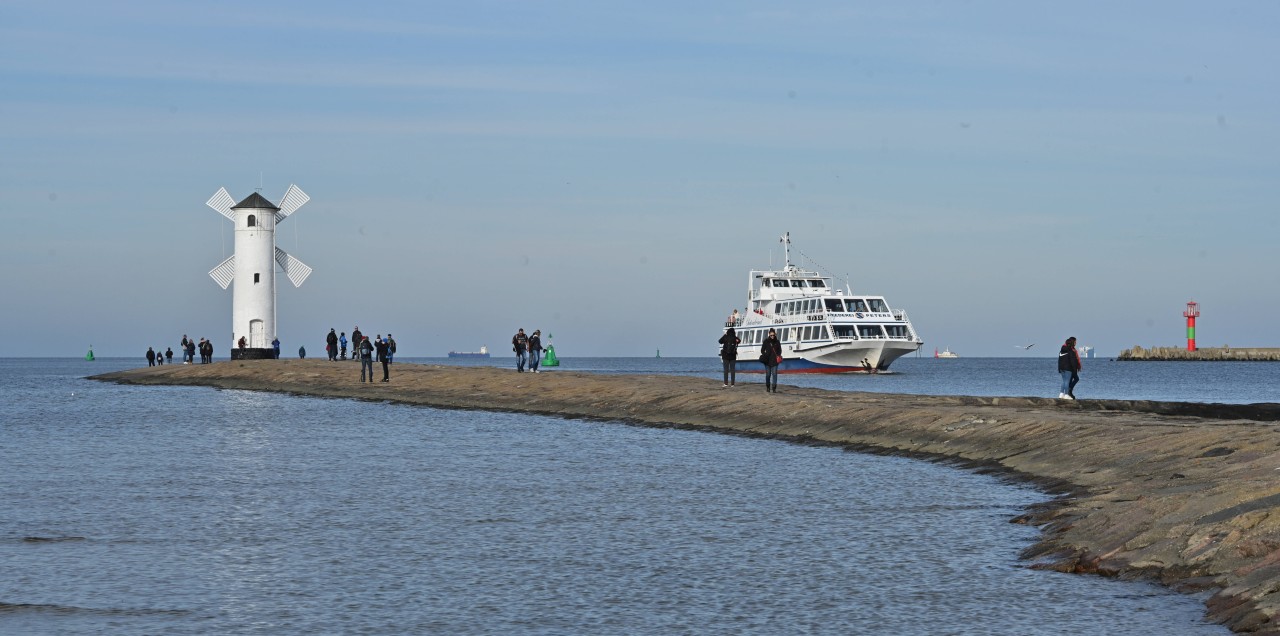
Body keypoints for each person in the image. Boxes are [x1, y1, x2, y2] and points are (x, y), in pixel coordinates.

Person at [760, 328, 782, 393]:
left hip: (775, 361)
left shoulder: (777, 342)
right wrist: (765, 354)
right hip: (767, 361)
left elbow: (779, 350)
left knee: (774, 374)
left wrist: (778, 355)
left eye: (773, 335)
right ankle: (768, 387)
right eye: (771, 335)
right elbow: (762, 350)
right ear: (769, 335)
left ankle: (774, 387)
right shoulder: (766, 341)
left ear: (775, 334)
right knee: (768, 375)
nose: (772, 336)